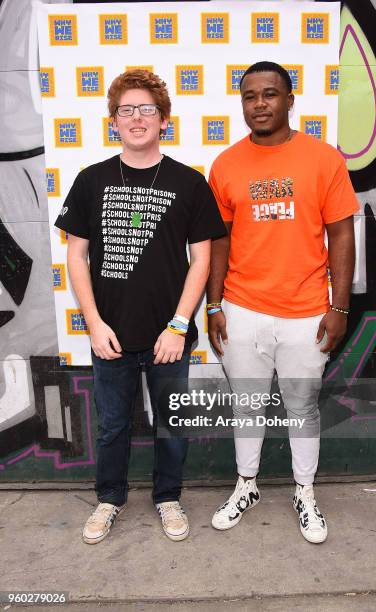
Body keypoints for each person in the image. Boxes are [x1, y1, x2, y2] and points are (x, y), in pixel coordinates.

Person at [55, 69, 225, 544]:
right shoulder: (92, 180)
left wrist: (178, 325)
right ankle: (109, 499)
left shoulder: (188, 183)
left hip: (168, 336)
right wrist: (93, 323)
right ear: (113, 121)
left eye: (146, 109)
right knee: (112, 428)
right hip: (110, 334)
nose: (136, 118)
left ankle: (168, 497)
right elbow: (76, 255)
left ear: (164, 120)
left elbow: (202, 258)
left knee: (172, 425)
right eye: (126, 110)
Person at [207, 61, 359, 544]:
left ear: (290, 100)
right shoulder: (226, 164)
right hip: (242, 307)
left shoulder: (323, 159)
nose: (260, 104)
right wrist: (213, 307)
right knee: (247, 404)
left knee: (302, 406)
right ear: (242, 103)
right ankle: (246, 484)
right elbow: (219, 243)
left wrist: (339, 308)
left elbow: (341, 235)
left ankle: (305, 492)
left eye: (270, 94)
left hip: (307, 311)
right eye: (250, 96)